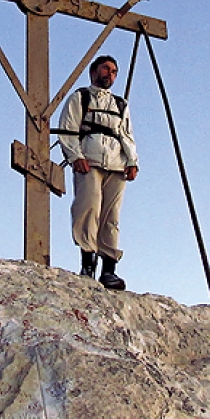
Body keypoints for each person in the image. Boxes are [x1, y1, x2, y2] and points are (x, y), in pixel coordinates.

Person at [56, 55, 139, 290]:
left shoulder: (120, 104)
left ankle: (109, 270)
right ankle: (87, 264)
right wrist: (75, 156)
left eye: (114, 71)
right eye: (106, 69)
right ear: (94, 71)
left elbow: (126, 134)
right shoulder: (80, 97)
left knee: (111, 216)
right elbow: (68, 128)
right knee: (88, 208)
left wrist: (132, 161)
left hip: (116, 163)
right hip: (89, 160)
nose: (110, 75)